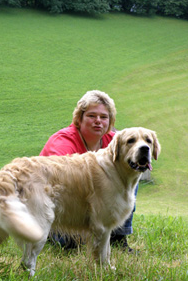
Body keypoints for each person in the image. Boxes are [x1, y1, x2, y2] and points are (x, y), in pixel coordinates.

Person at [40, 90, 136, 253]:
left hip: (95, 207)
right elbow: (59, 179)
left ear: (110, 121)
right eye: (92, 116)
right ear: (79, 118)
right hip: (60, 209)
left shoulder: (113, 141)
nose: (98, 121)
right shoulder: (63, 142)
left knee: (128, 171)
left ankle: (118, 238)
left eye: (104, 117)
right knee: (67, 244)